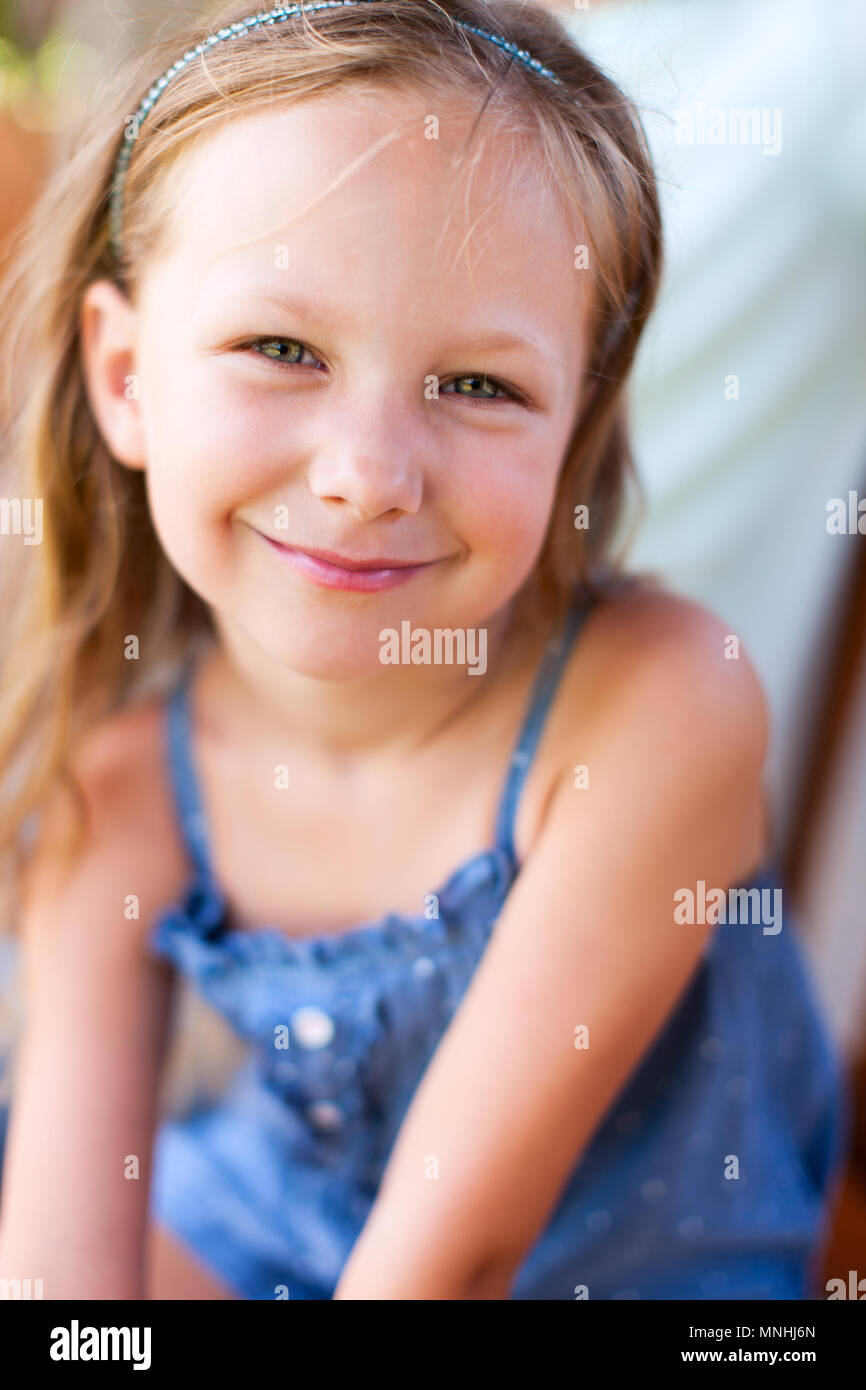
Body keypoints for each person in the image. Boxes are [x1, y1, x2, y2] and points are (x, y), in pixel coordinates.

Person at [0, 0, 848, 1300]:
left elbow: (445, 1264)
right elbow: (65, 1283)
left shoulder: (651, 704)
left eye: (478, 386)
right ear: (126, 380)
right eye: (279, 349)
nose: (365, 476)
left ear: (574, 425)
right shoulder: (121, 786)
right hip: (254, 1243)